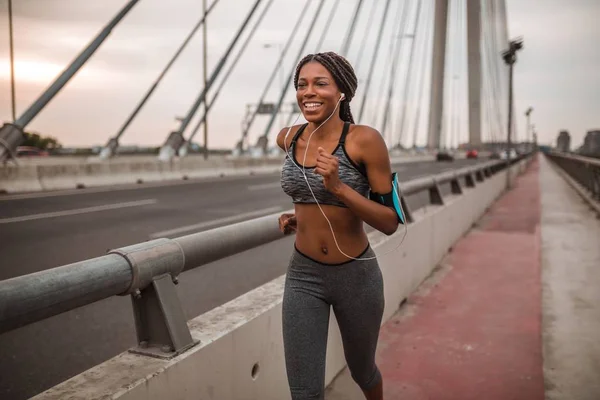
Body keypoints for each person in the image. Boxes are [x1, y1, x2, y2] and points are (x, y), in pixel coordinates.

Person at [277, 51, 402, 400]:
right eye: (302, 85)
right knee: (305, 391)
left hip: (356, 277)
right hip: (303, 276)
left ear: (342, 92)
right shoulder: (287, 137)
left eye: (320, 83)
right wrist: (297, 215)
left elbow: (391, 222)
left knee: (363, 370)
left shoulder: (364, 140)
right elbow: (303, 188)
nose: (308, 92)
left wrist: (339, 187)